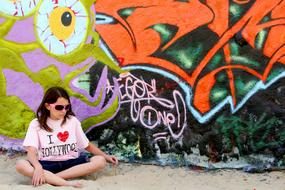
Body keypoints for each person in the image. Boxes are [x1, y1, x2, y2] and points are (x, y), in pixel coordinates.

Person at [15, 86, 118, 188]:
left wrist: (106, 157)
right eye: (59, 107)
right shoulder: (36, 124)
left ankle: (54, 178)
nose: (64, 111)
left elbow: (87, 145)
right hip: (47, 165)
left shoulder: (72, 121)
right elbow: (31, 151)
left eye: (67, 107)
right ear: (47, 106)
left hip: (72, 163)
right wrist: (37, 167)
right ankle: (65, 182)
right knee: (20, 164)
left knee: (100, 161)